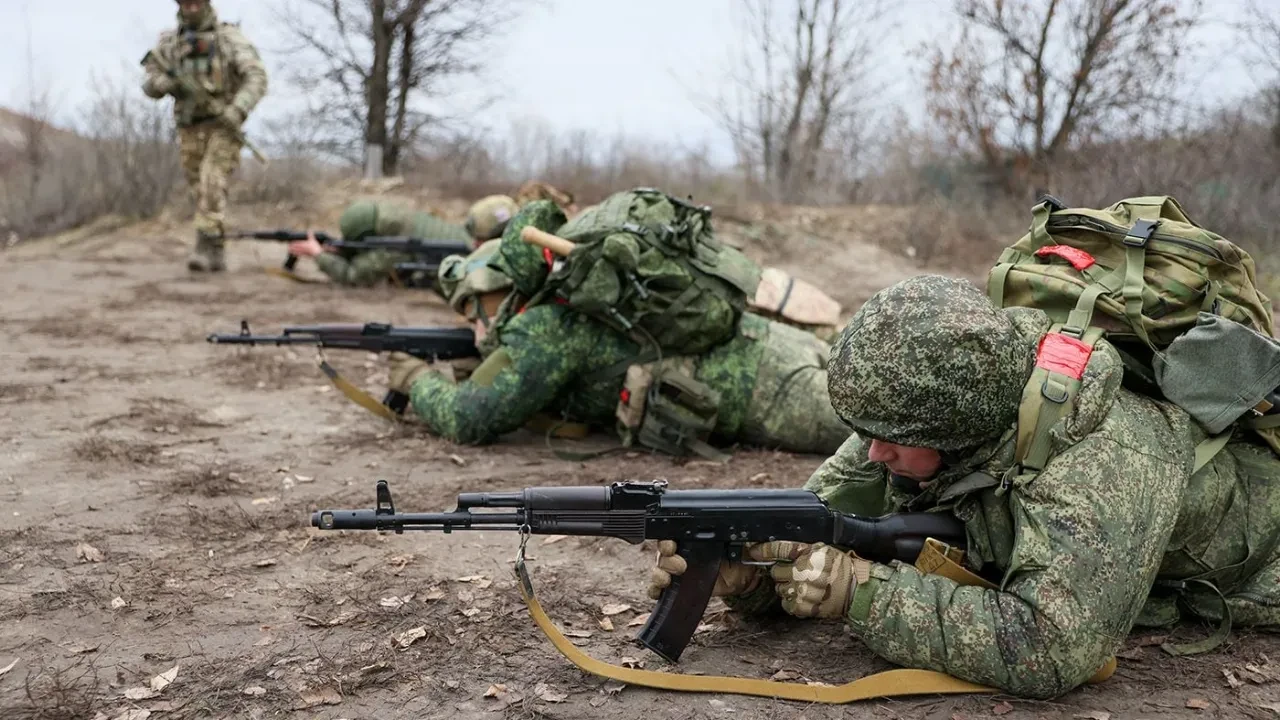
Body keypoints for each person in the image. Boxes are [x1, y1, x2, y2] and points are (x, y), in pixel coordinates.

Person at [649, 274, 1280, 699]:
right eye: (867, 430)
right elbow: (813, 524)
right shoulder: (913, 415)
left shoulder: (1100, 453)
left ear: (959, 428)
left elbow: (1054, 649)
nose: (872, 452)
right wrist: (747, 571)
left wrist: (864, 595)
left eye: (889, 436)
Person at [384, 200, 851, 456]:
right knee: (886, 396)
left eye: (473, 308)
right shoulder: (579, 288)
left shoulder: (545, 328)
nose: (474, 324)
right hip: (770, 341)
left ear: (503, 290)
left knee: (892, 429)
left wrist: (416, 379)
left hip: (765, 391)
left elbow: (468, 419)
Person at [141, 0, 268, 272]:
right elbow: (150, 79)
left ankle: (203, 245)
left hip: (223, 125)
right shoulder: (170, 43)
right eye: (186, 2)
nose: (192, 7)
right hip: (189, 127)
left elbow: (256, 77)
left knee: (212, 180)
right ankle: (216, 250)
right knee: (200, 190)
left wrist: (237, 109)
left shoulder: (228, 39)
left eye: (197, 1)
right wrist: (160, 84)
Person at [284, 196, 513, 287]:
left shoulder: (396, 244)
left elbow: (354, 277)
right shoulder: (398, 220)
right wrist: (340, 252)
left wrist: (318, 255)